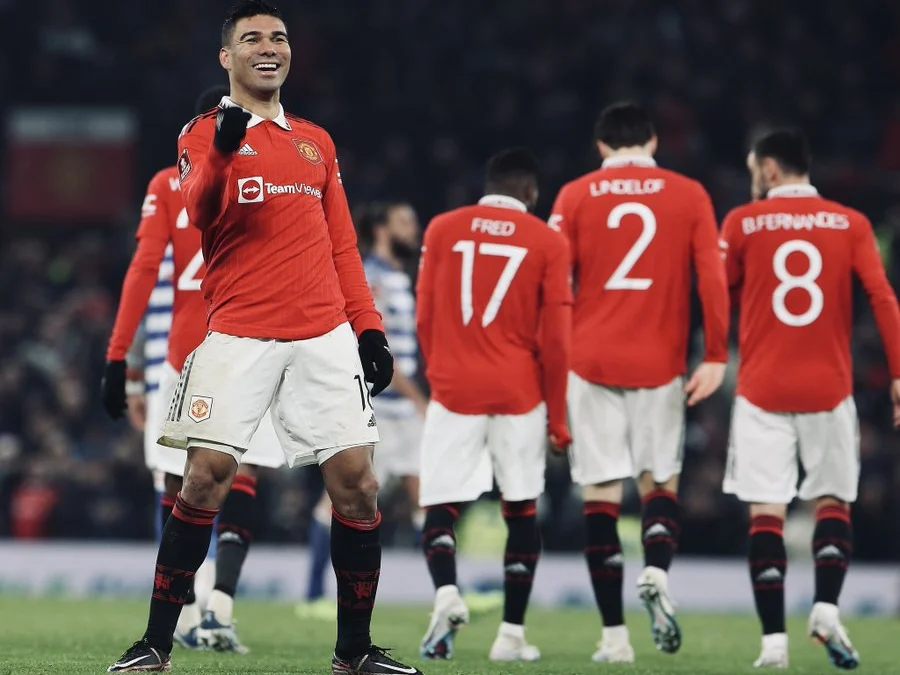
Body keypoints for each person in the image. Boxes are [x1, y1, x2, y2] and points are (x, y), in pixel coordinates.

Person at [106, 3, 420, 674]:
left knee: (358, 485)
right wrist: (223, 146)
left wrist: (368, 328)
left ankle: (354, 652)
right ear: (228, 57)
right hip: (239, 330)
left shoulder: (317, 141)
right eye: (251, 38)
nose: (268, 46)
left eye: (278, 36)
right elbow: (200, 210)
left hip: (323, 333)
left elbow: (342, 244)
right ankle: (156, 642)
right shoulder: (199, 134)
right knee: (204, 480)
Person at [102, 83, 291, 655]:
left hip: (185, 351)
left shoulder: (168, 183)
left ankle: (185, 610)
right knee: (246, 474)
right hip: (254, 342)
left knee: (178, 482)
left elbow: (142, 270)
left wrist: (119, 358)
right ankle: (220, 608)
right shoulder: (276, 175)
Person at [549, 101, 730, 663]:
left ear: (602, 146)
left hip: (591, 362)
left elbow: (553, 287)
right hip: (661, 364)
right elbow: (713, 278)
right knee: (660, 485)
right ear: (653, 143)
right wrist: (717, 354)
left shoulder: (574, 195)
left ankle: (614, 639)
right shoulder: (690, 193)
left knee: (601, 495)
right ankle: (655, 570)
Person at [720, 127, 900, 670]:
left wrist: (713, 352)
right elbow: (882, 296)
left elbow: (716, 293)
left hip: (762, 389)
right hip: (828, 387)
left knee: (767, 512)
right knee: (832, 503)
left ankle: (773, 643)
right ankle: (825, 607)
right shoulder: (850, 222)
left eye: (755, 167)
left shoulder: (743, 222)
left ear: (770, 169)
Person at [415, 148, 572, 662]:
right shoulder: (548, 241)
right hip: (517, 393)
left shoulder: (441, 229)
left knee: (441, 505)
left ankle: (446, 594)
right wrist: (559, 414)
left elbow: (425, 314)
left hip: (454, 388)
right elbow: (556, 339)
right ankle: (511, 636)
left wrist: (441, 371)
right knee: (521, 509)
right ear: (530, 192)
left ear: (489, 184)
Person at [301, 202, 428, 618]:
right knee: (341, 497)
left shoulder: (396, 277)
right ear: (380, 228)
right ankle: (314, 594)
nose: (415, 228)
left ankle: (448, 594)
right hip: (383, 406)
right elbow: (379, 347)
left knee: (424, 493)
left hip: (401, 410)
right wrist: (417, 398)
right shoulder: (374, 279)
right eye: (405, 221)